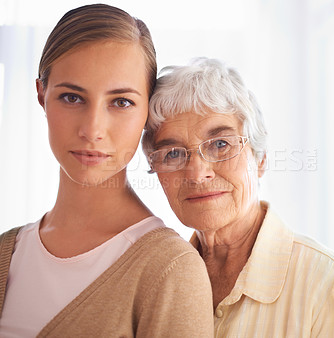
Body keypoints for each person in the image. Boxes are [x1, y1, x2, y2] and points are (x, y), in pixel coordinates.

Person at [0, 5, 213, 337]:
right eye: (72, 97)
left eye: (121, 102)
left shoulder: (170, 270)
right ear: (41, 95)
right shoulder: (6, 251)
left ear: (148, 111)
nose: (93, 129)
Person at [142, 57, 334, 337]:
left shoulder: (331, 286)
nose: (197, 174)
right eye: (173, 153)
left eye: (221, 144)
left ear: (260, 158)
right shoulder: (159, 285)